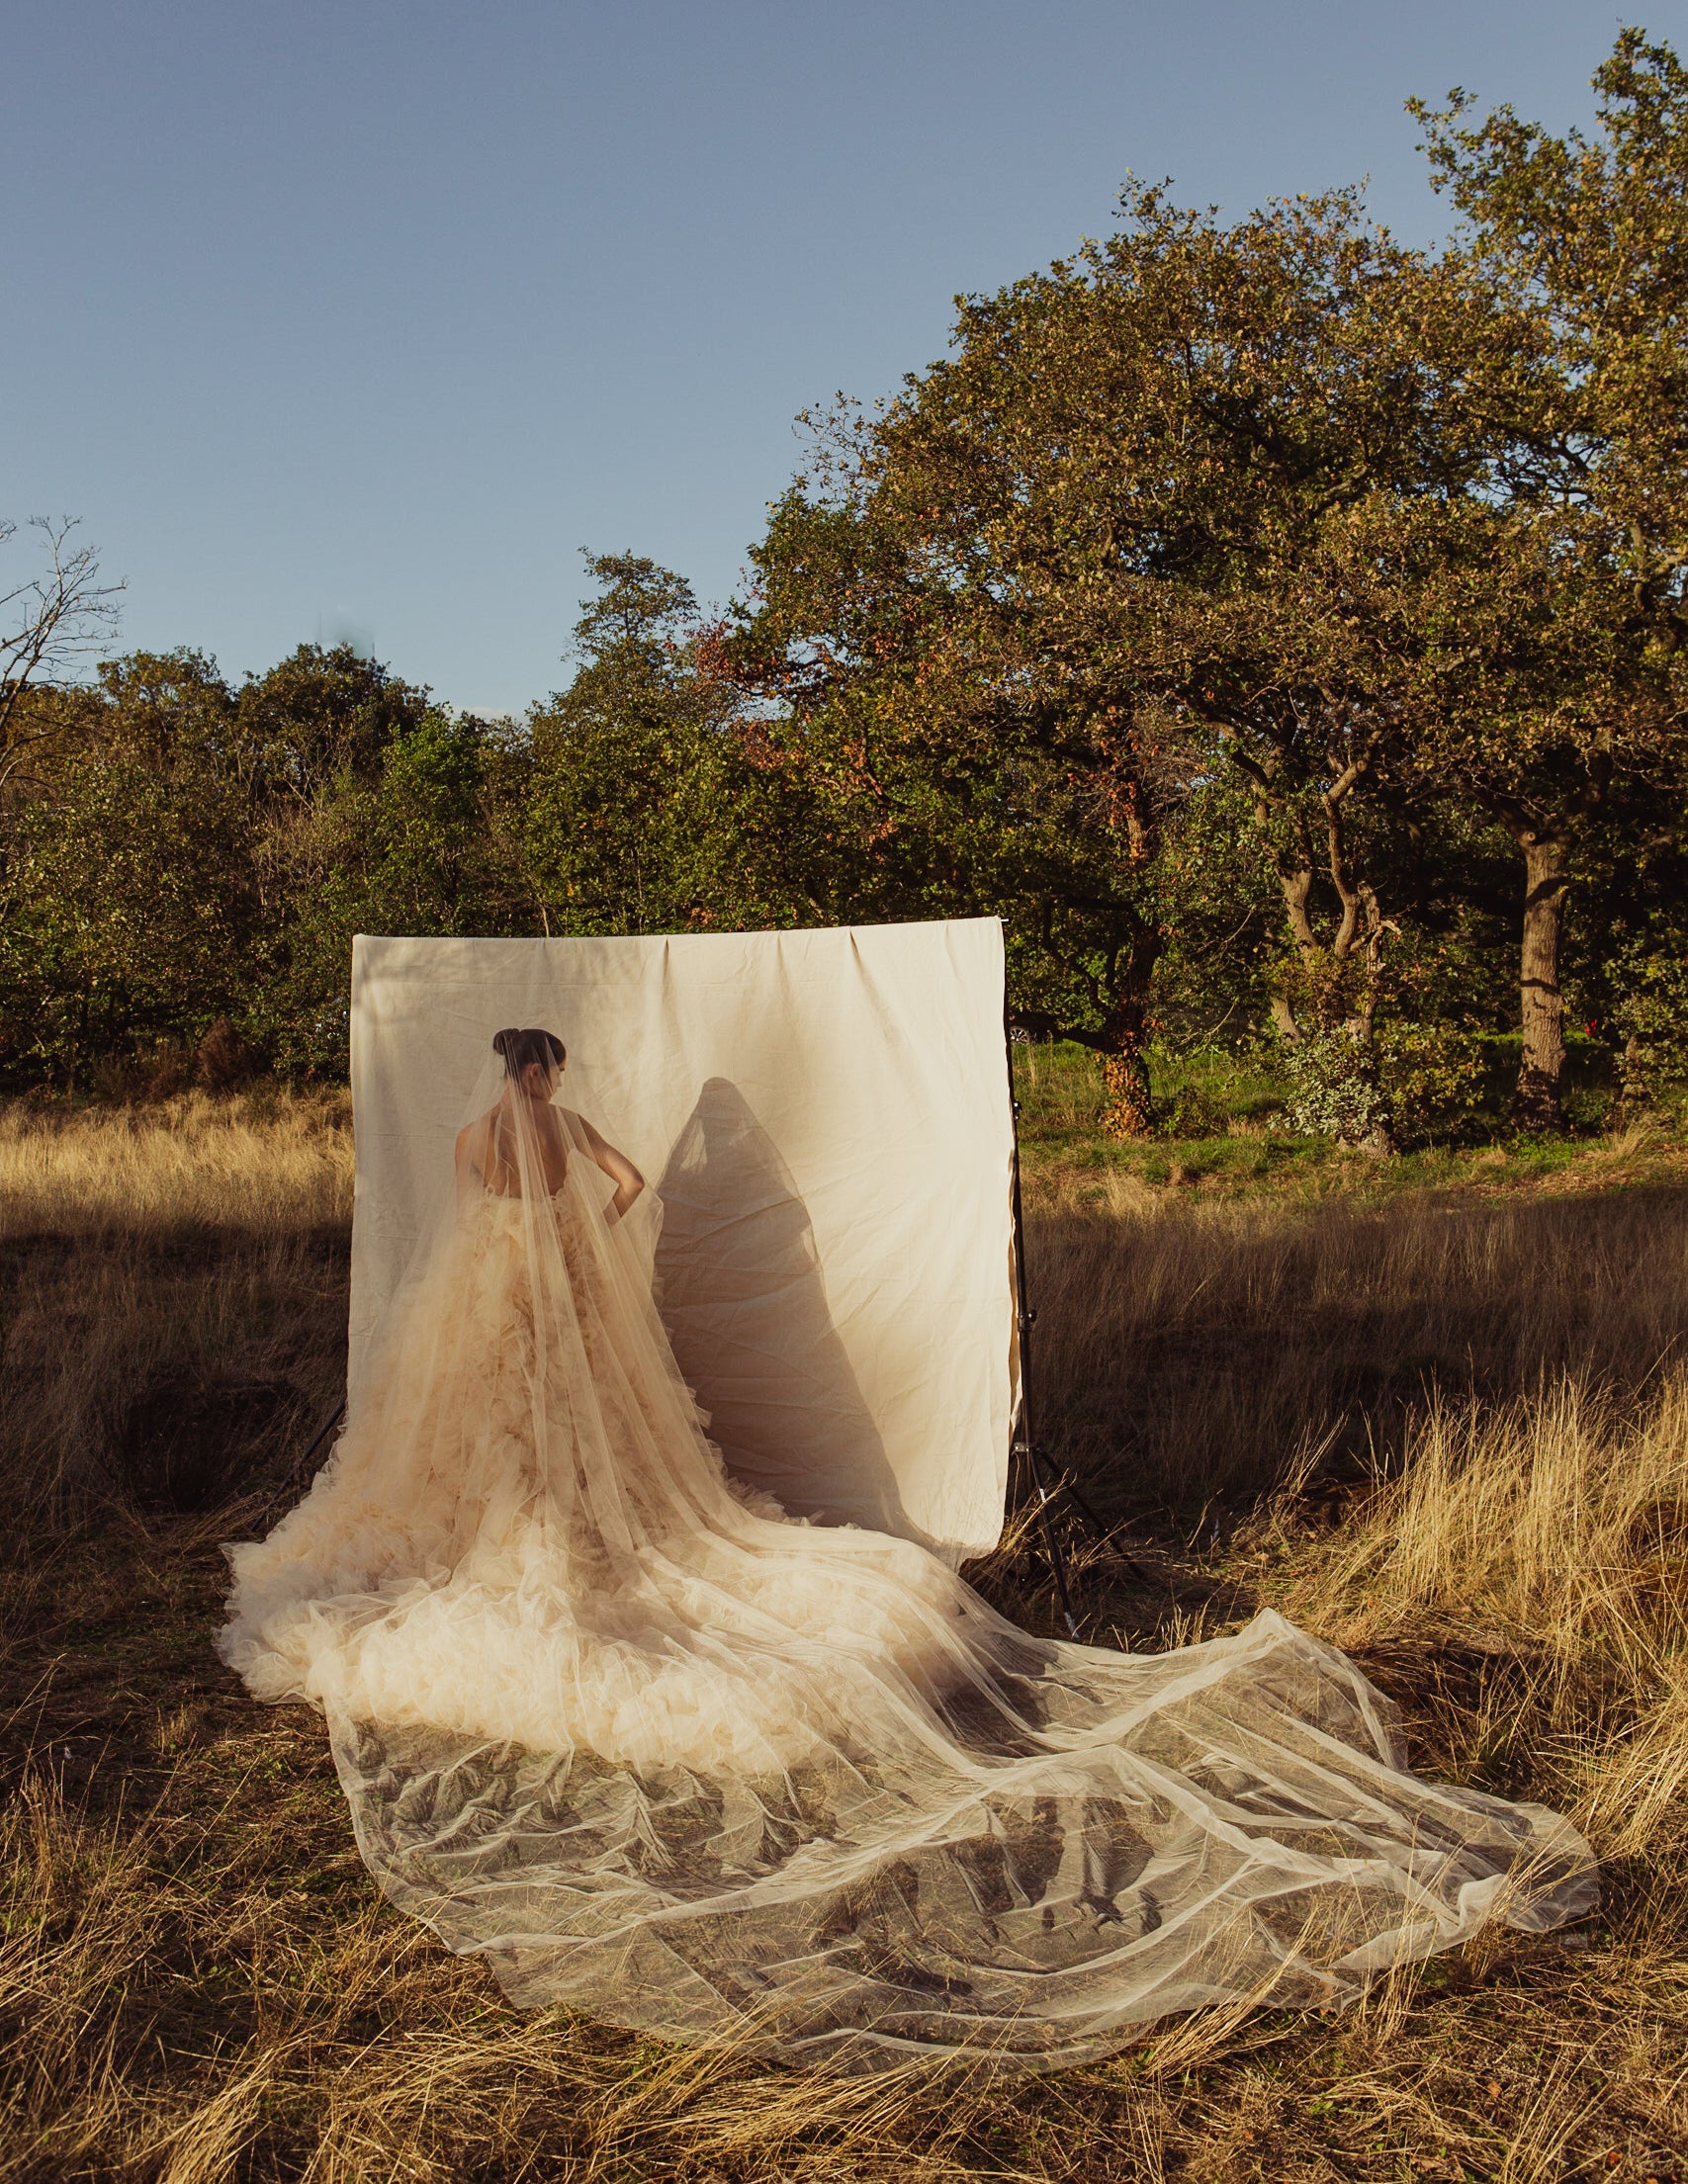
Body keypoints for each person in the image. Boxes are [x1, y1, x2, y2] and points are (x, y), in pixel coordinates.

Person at [219, 1026, 1596, 2075]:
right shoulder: (569, 1124)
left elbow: (478, 1211)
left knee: (491, 1448)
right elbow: (625, 1182)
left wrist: (522, 1238)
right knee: (615, 1474)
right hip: (573, 1297)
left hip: (499, 1299)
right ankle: (584, 1542)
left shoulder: (473, 1136)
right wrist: (586, 1228)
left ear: (495, 1069)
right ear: (551, 1069)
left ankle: (523, 1542)